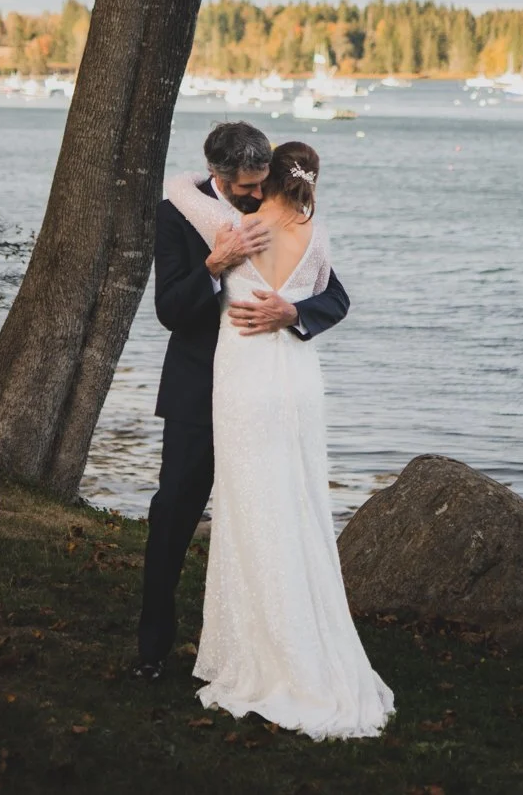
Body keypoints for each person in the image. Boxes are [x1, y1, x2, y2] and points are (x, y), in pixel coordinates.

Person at [159, 137, 394, 740]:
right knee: (289, 508)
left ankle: (262, 653)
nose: (250, 186)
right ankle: (290, 641)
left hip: (247, 388)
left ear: (268, 181)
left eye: (259, 178)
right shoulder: (316, 236)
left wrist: (294, 315)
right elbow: (319, 286)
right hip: (290, 390)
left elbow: (175, 188)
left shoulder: (238, 227)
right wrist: (285, 304)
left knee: (253, 513)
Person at [136, 121, 350, 681]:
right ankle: (152, 649)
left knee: (265, 514)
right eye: (248, 187)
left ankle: (265, 640)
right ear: (218, 175)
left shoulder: (279, 212)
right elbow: (169, 312)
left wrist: (295, 314)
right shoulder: (180, 215)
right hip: (197, 393)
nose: (259, 195)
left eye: (264, 182)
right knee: (174, 516)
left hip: (263, 392)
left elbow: (334, 293)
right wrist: (213, 266)